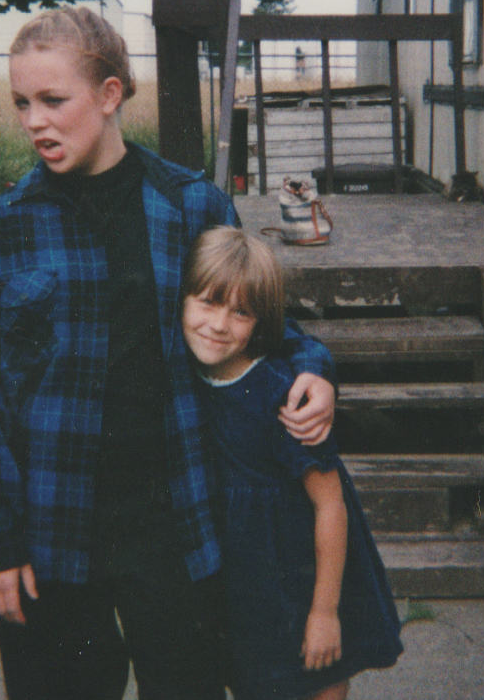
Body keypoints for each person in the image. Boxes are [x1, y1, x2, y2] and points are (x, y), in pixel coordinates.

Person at [0, 6, 337, 700]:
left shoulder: (191, 208)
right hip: (51, 533)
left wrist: (313, 369)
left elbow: (262, 324)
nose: (34, 121)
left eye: (53, 100)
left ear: (109, 94)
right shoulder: (0, 233)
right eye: (21, 103)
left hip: (175, 523)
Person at [182, 226, 403, 700]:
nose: (219, 324)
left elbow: (329, 504)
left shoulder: (282, 397)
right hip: (246, 584)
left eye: (240, 312)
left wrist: (324, 612)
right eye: (206, 302)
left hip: (303, 573)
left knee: (321, 676)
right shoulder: (186, 380)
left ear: (261, 323)